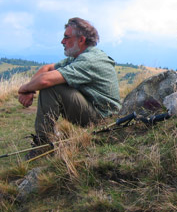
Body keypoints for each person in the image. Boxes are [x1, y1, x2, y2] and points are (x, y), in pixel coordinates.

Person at [18, 17, 121, 148]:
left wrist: (23, 88)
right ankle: (46, 140)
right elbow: (47, 68)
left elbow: (45, 80)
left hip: (105, 119)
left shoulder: (89, 60)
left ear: (81, 39)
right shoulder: (79, 57)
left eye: (67, 37)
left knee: (52, 87)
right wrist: (30, 90)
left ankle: (43, 144)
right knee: (51, 82)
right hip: (95, 111)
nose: (62, 41)